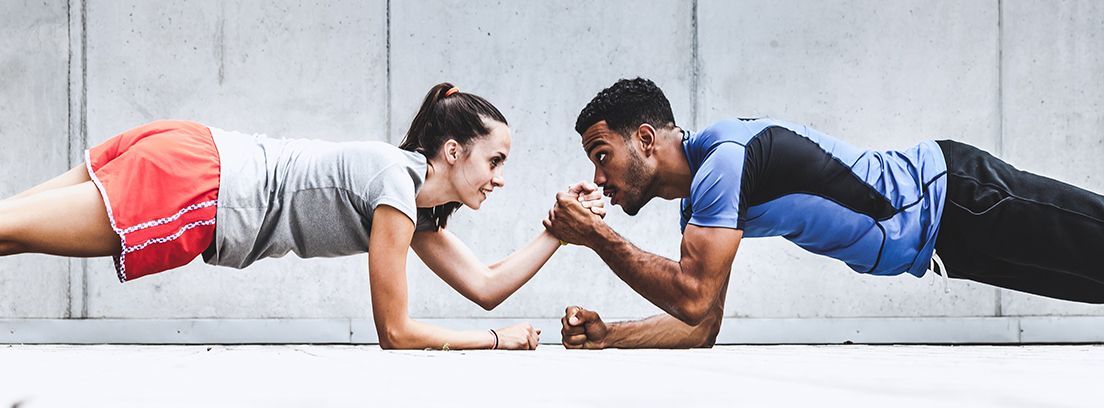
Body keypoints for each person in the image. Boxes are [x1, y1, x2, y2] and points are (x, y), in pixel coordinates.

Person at [0, 83, 605, 350]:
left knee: (8, 231)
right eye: (494, 161)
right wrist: (493, 343)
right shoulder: (396, 186)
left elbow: (486, 286)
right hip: (197, 187)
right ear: (453, 152)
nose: (500, 178)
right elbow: (396, 333)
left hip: (191, 153)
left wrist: (558, 231)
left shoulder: (409, 203)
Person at [545, 77, 1104, 349]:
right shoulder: (705, 197)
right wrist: (608, 334)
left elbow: (689, 296)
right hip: (951, 245)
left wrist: (596, 236)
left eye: (602, 156)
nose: (598, 179)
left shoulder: (724, 159)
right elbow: (702, 324)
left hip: (959, 197)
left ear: (645, 139)